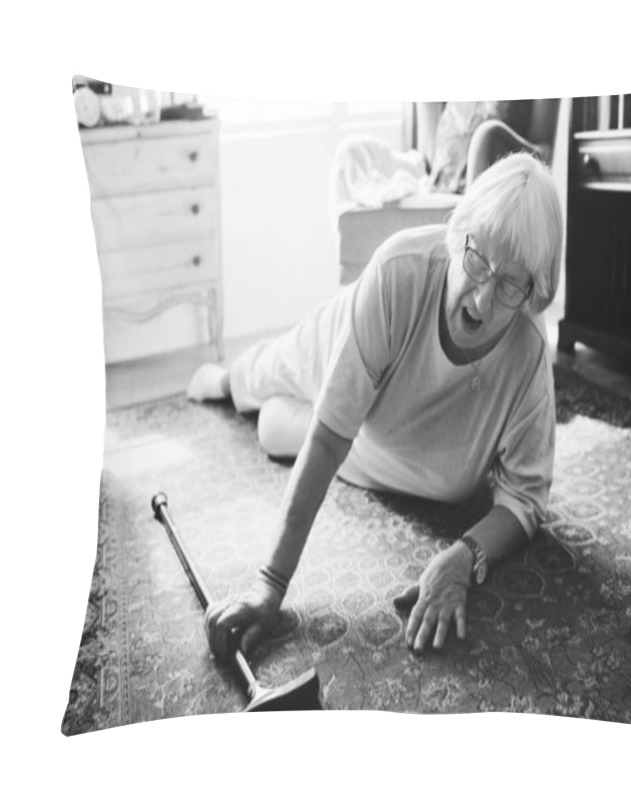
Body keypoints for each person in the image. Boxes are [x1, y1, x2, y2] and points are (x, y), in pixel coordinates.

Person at [190, 151, 563, 658]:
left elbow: (525, 499)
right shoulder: (397, 272)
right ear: (457, 237)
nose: (481, 300)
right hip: (335, 349)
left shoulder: (529, 354)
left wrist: (463, 556)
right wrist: (269, 587)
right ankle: (226, 378)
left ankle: (282, 412)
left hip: (378, 441)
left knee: (274, 433)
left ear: (534, 293)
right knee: (254, 380)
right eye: (477, 262)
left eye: (510, 284)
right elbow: (327, 439)